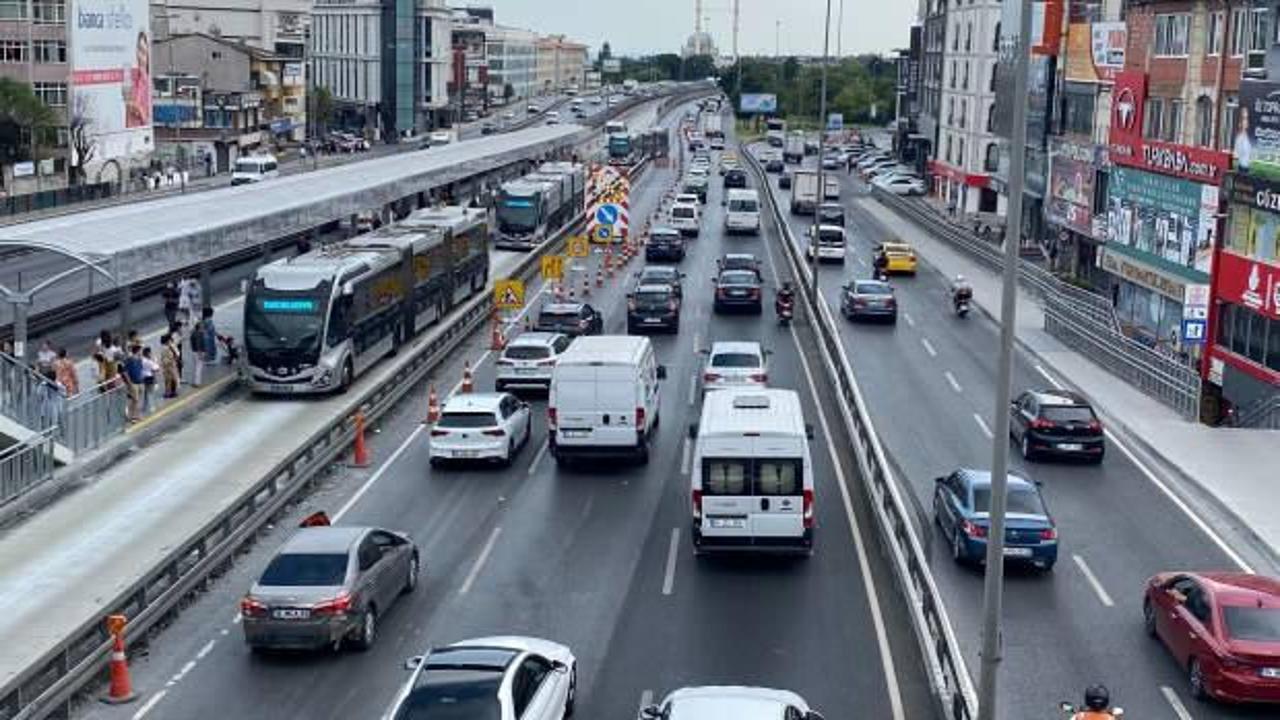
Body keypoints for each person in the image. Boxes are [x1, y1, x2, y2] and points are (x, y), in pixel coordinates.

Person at [123, 345, 145, 421]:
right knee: (135, 400)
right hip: (133, 383)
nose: (141, 352)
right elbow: (125, 372)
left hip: (140, 382)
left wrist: (142, 379)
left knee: (137, 400)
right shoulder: (130, 360)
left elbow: (141, 369)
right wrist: (129, 383)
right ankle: (132, 416)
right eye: (141, 350)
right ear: (138, 351)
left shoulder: (139, 359)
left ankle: (135, 415)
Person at [140, 346, 159, 414]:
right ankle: (151, 407)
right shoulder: (148, 361)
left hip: (144, 378)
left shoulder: (143, 360)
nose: (151, 353)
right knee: (150, 393)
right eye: (150, 352)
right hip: (149, 377)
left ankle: (145, 406)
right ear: (148, 353)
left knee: (146, 393)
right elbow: (156, 369)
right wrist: (155, 361)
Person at [160, 334, 180, 398]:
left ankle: (173, 392)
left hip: (172, 365)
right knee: (168, 380)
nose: (170, 341)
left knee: (173, 379)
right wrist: (170, 360)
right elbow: (164, 359)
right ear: (167, 341)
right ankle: (168, 393)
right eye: (169, 340)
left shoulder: (171, 346)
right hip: (168, 366)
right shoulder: (164, 349)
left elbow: (177, 353)